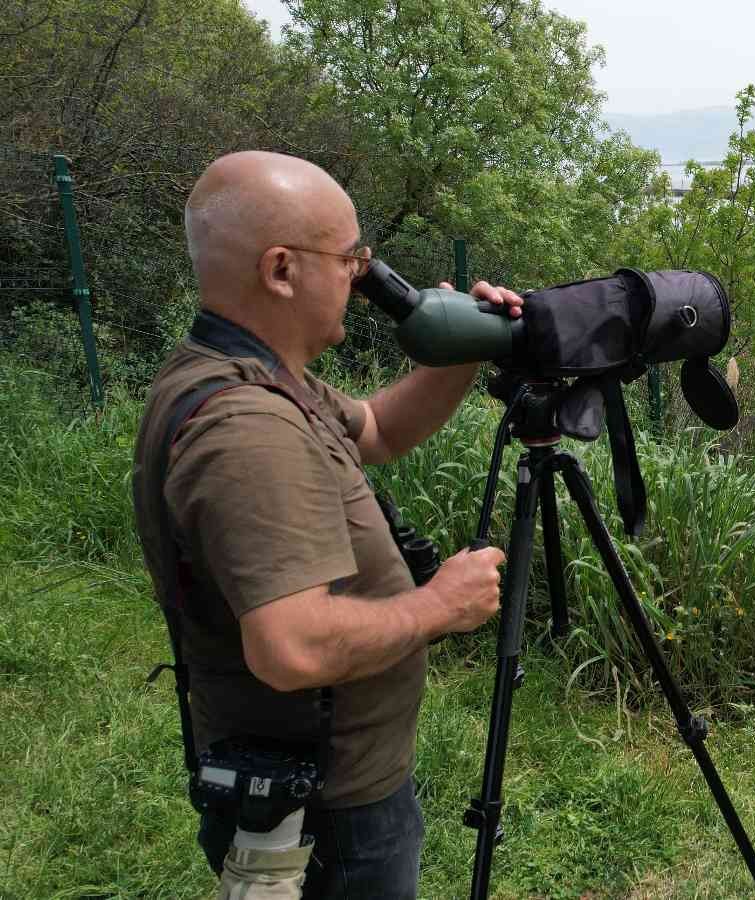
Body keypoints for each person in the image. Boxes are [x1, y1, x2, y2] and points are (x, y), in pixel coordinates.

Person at [131, 151, 516, 898]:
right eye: (349, 259)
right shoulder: (248, 429)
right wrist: (440, 605)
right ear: (281, 270)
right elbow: (291, 649)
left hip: (328, 783)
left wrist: (462, 349)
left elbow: (376, 430)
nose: (360, 277)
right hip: (326, 812)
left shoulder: (259, 374)